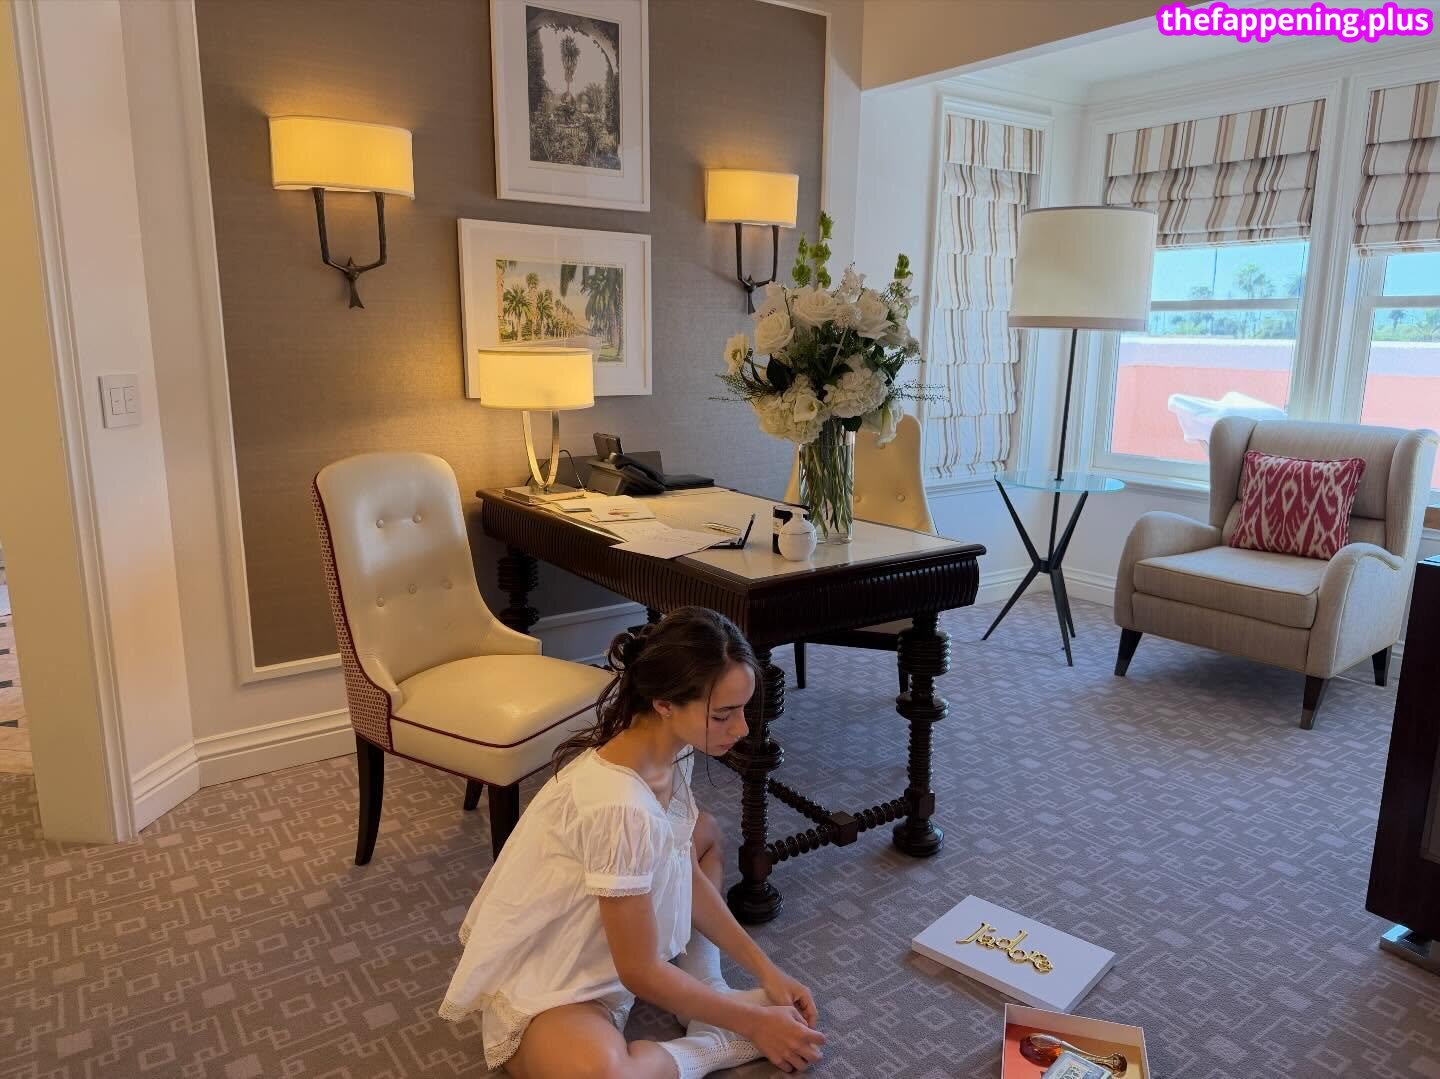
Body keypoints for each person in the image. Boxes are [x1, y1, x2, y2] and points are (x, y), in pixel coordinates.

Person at [439, 606, 825, 1078]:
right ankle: (715, 1041)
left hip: (622, 934)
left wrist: (767, 971)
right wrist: (753, 1024)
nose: (742, 728)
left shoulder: (672, 749)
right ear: (664, 704)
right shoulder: (619, 806)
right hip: (562, 974)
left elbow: (680, 869)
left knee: (702, 836)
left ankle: (708, 987)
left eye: (743, 709)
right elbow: (638, 971)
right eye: (723, 714)